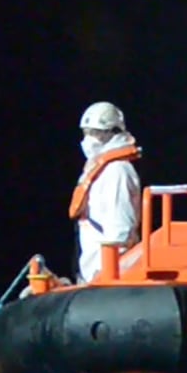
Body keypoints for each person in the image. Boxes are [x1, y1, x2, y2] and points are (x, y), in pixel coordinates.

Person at [70, 101, 142, 282]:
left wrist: (106, 272)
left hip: (107, 270)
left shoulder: (117, 171)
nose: (89, 140)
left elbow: (121, 230)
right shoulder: (101, 168)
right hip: (93, 266)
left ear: (112, 133)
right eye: (86, 133)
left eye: (95, 133)